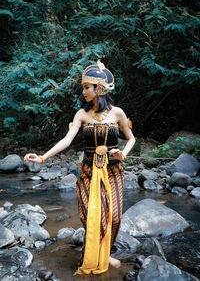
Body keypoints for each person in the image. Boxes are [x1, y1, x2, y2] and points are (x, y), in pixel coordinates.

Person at [24, 60, 135, 275]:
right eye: (83, 87)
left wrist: (123, 154)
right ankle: (93, 248)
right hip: (88, 171)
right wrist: (42, 158)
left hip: (113, 171)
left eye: (87, 87)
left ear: (100, 89)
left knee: (114, 217)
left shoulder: (118, 113)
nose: (83, 91)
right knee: (89, 214)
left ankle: (106, 253)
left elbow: (131, 139)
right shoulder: (81, 115)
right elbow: (66, 141)